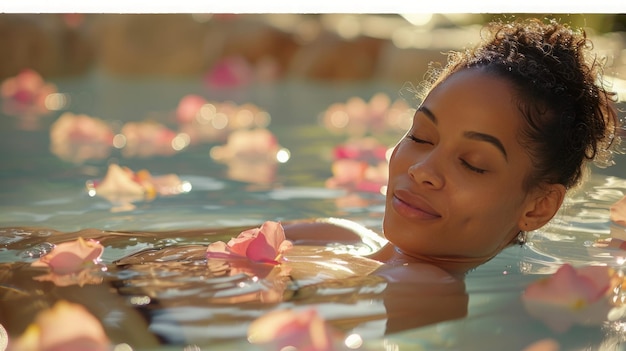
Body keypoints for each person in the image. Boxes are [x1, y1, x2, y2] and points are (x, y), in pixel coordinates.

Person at [284, 17, 620, 281]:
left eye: (472, 164)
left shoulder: (422, 294)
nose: (422, 170)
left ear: (537, 208)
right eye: (421, 137)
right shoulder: (335, 234)